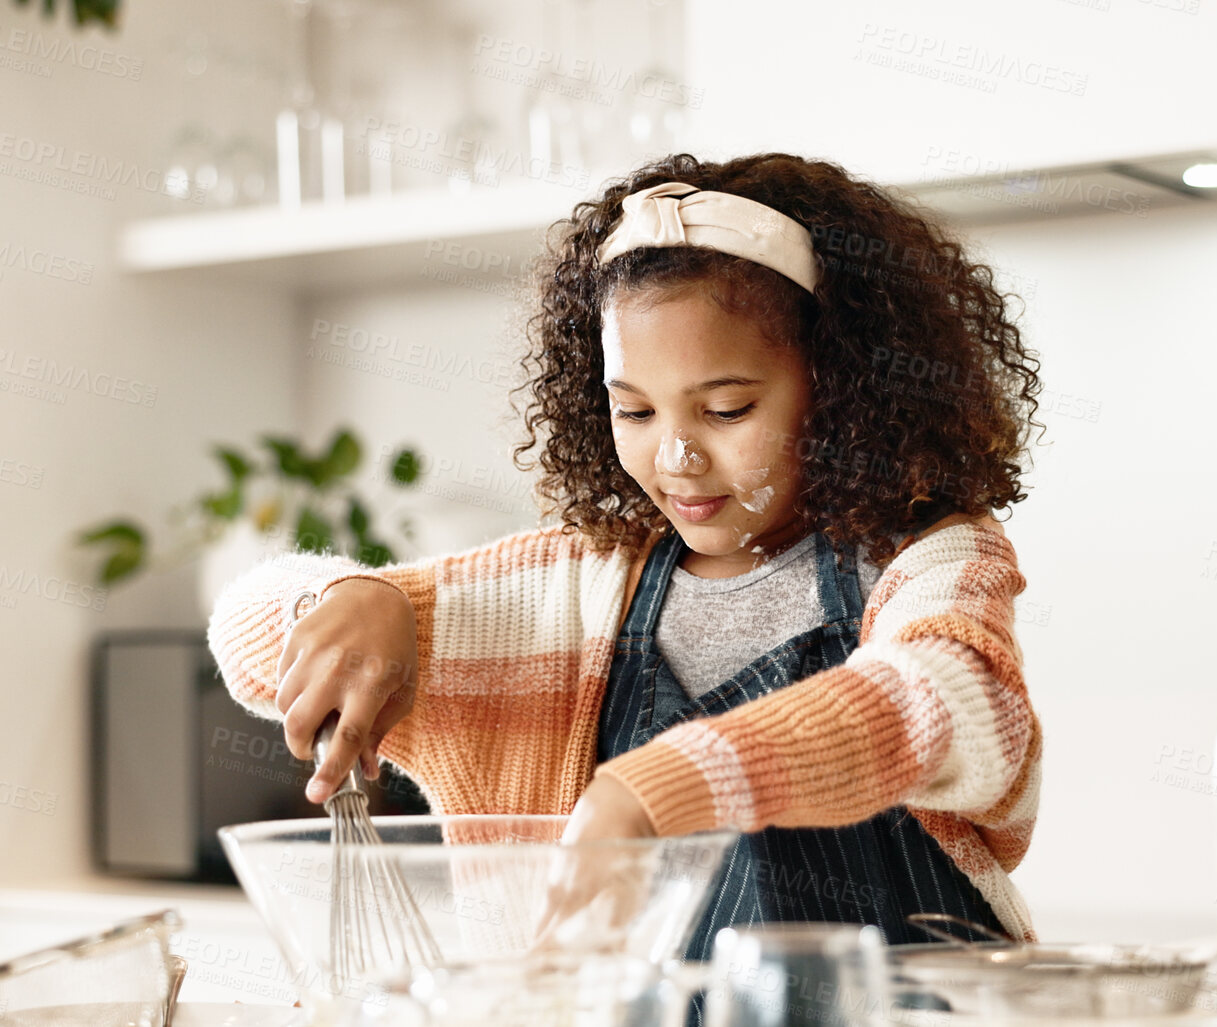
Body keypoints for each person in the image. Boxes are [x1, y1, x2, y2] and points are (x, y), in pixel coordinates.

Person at [207, 151, 1045, 954]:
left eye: (724, 409)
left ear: (841, 387)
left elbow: (937, 700)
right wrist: (353, 601)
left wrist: (651, 791)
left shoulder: (926, 563)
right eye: (635, 413)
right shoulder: (565, 595)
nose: (674, 457)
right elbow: (246, 637)